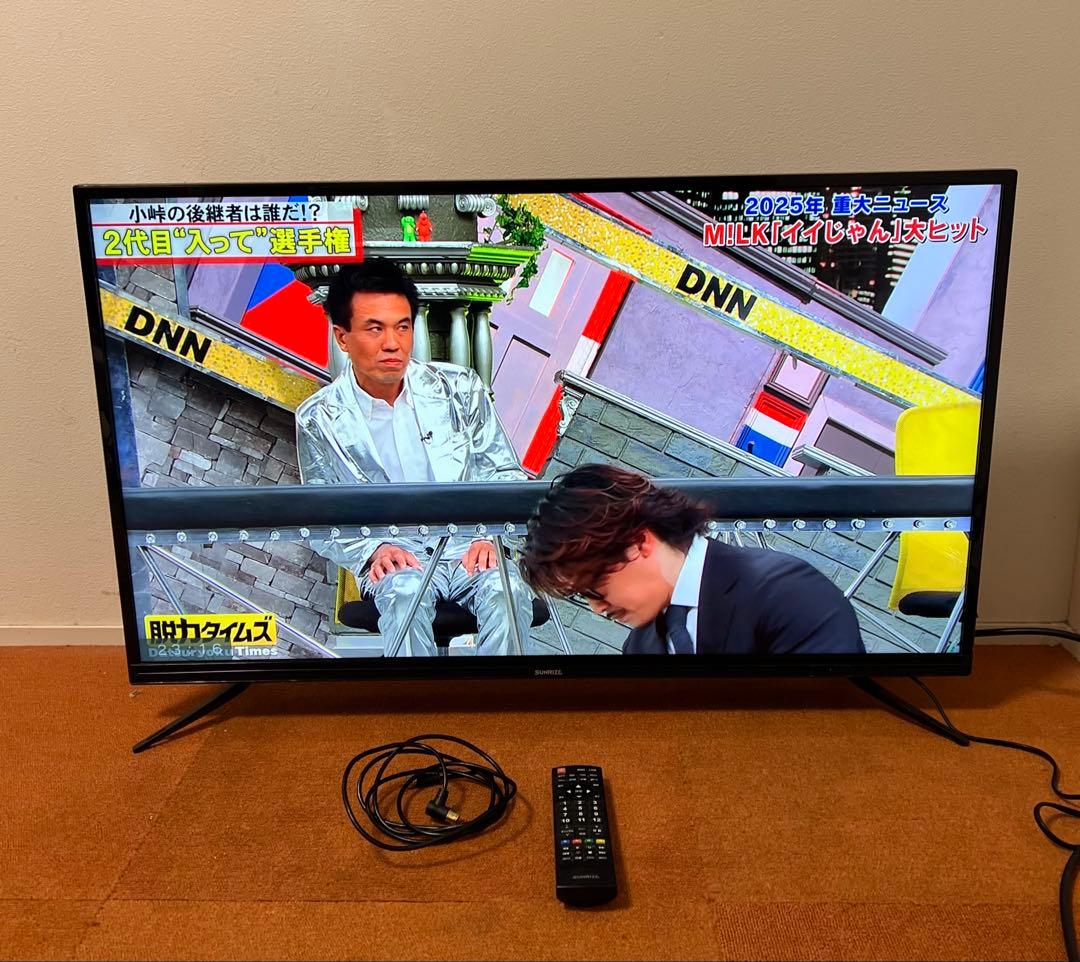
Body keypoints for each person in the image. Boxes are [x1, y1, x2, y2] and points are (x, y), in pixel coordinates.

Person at [295, 258, 534, 657]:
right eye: (375, 328)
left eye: (402, 327)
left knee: (506, 589)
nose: (393, 343)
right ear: (342, 337)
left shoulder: (460, 388)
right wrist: (372, 550)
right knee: (405, 592)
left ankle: (500, 698)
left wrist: (492, 535)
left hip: (469, 545)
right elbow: (320, 517)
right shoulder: (318, 418)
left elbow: (505, 474)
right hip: (395, 554)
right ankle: (417, 697)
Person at [519, 463, 865, 656]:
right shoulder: (639, 648)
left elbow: (834, 733)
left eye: (593, 586)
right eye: (581, 596)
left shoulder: (784, 592)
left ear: (638, 542)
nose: (596, 608)